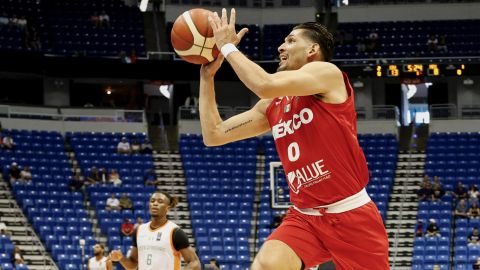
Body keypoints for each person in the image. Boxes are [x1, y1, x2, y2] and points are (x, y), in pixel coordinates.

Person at [199, 9, 389, 269]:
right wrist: (206, 78)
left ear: (312, 50)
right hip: (304, 217)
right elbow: (214, 135)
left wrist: (228, 47)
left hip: (351, 216)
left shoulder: (327, 74)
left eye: (290, 41)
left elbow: (263, 83)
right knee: (265, 265)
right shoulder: (272, 105)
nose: (281, 46)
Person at [109, 191, 201, 270]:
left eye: (160, 201)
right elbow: (132, 265)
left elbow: (194, 262)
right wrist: (121, 258)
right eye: (152, 201)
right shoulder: (139, 230)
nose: (155, 203)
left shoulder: (175, 232)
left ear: (167, 208)